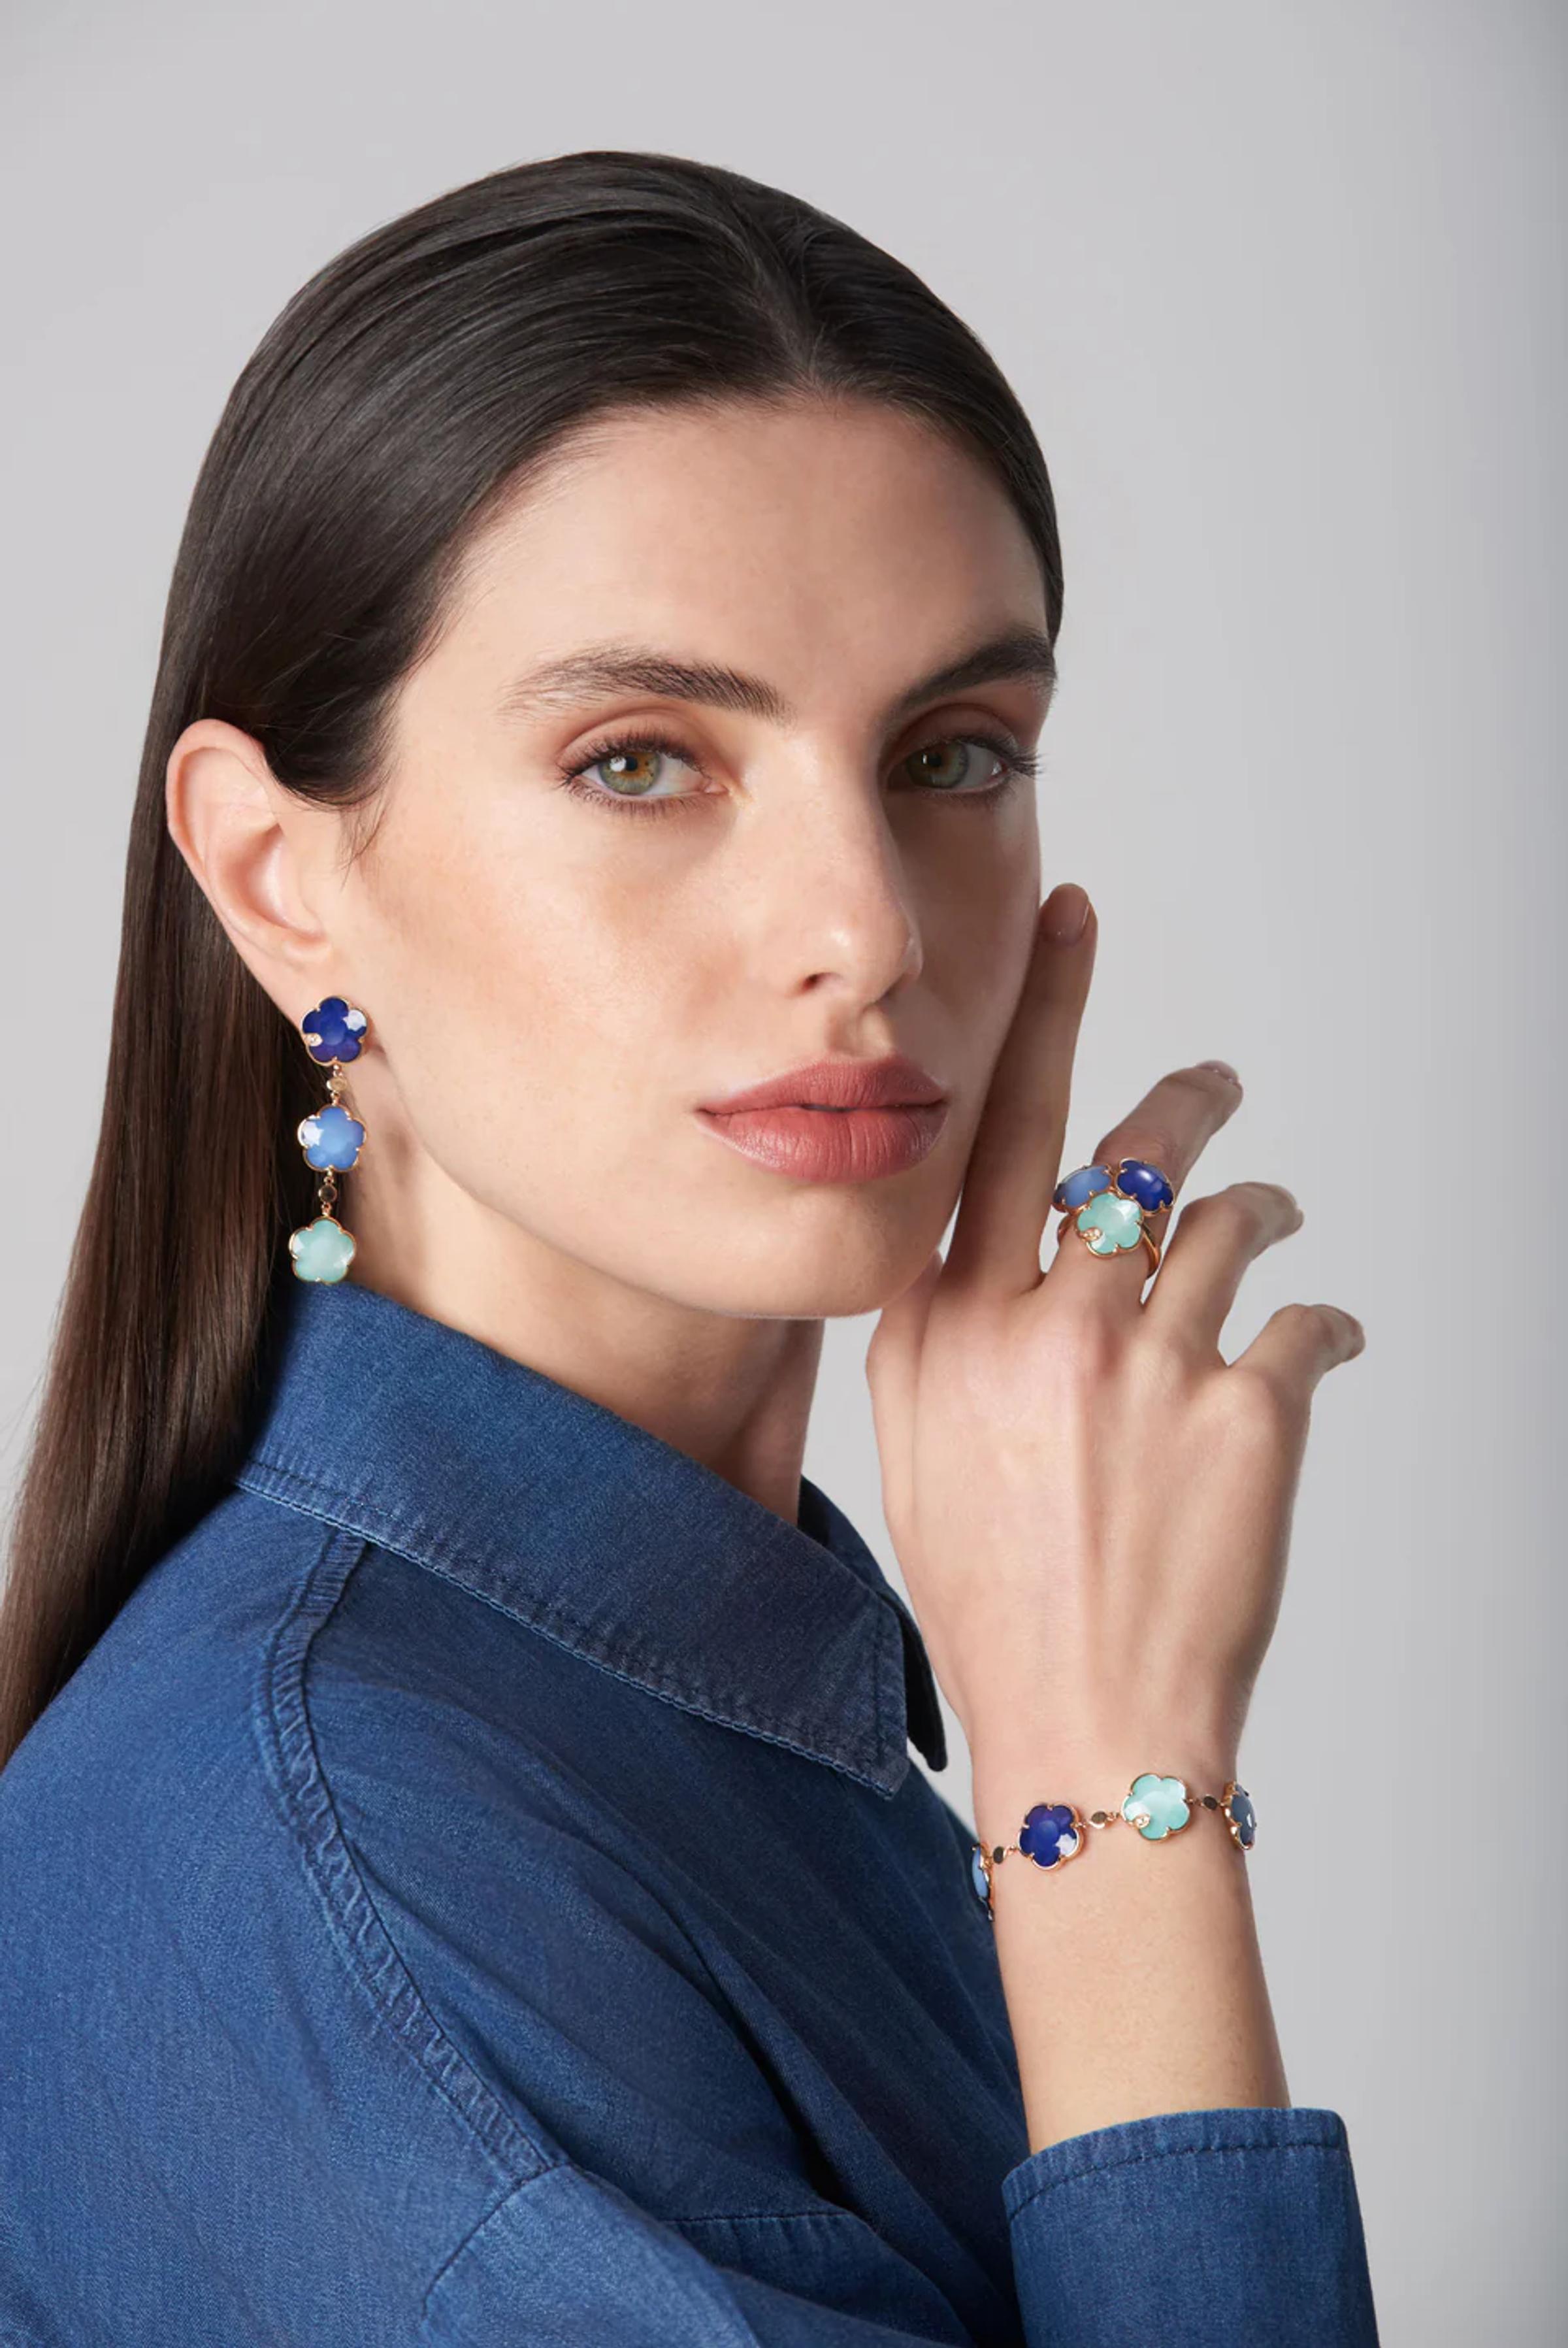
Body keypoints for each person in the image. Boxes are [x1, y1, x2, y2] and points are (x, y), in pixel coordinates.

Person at [0, 152, 1379, 2344]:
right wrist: (1109, 1791)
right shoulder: (321, 1863)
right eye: (644, 761)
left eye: (953, 750)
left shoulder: (696, 1689)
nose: (870, 927)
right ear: (278, 876)